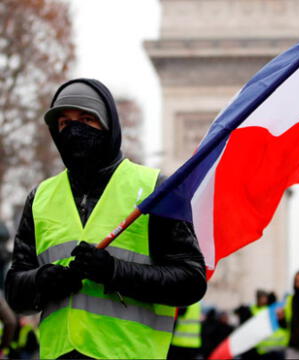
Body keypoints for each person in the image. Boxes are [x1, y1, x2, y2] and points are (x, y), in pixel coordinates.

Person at [4, 79, 207, 359]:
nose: (74, 131)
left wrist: (115, 271)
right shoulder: (39, 197)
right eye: (64, 123)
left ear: (109, 126)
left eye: (87, 120)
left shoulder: (155, 190)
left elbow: (190, 281)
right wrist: (41, 280)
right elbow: (15, 291)